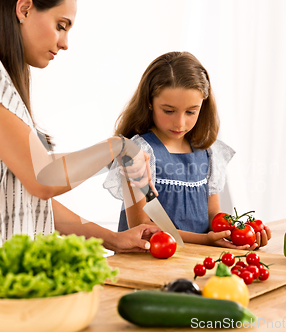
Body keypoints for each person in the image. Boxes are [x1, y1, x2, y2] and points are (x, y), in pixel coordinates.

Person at [0, 0, 159, 300]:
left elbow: (26, 197)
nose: (65, 43)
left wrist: (112, 239)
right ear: (24, 8)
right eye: (61, 25)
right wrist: (118, 148)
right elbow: (42, 178)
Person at [104, 51, 271, 249]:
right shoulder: (137, 152)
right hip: (147, 261)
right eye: (168, 111)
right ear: (149, 102)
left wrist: (236, 232)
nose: (180, 122)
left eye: (191, 112)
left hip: (194, 261)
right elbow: (143, 227)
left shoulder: (209, 152)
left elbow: (212, 215)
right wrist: (206, 240)